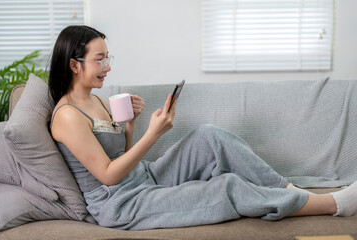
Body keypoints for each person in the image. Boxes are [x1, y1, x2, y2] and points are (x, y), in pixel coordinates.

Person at [49, 25, 357, 230]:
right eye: (99, 60)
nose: (108, 67)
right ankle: (332, 204)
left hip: (143, 177)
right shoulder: (67, 116)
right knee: (227, 187)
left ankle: (287, 190)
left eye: (107, 58)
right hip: (121, 203)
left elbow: (123, 157)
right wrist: (152, 134)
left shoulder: (99, 101)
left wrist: (129, 125)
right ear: (75, 65)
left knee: (209, 137)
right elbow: (108, 175)